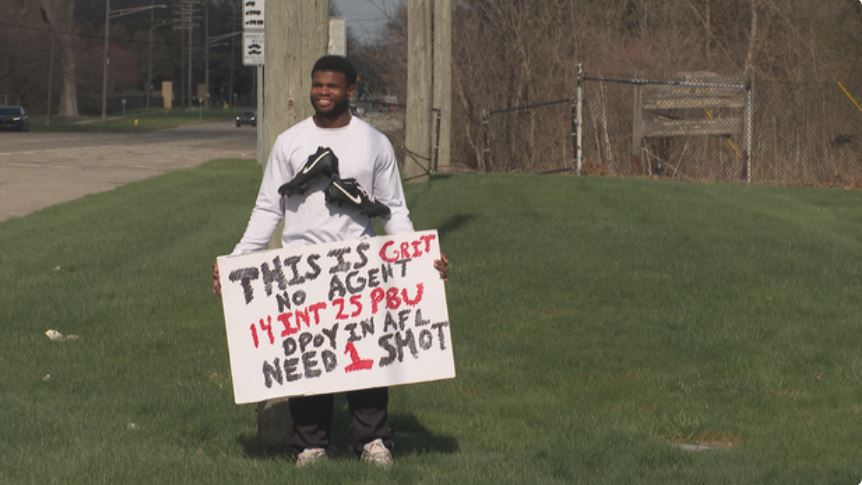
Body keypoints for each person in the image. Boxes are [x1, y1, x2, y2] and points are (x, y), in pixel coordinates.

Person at [211, 55, 448, 467]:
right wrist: (236, 261)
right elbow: (268, 209)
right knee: (306, 360)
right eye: (317, 85)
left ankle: (373, 441)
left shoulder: (374, 142)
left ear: (351, 90)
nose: (323, 92)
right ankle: (310, 445)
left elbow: (392, 208)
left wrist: (418, 259)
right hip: (300, 268)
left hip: (358, 265)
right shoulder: (289, 142)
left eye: (332, 86)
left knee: (367, 356)